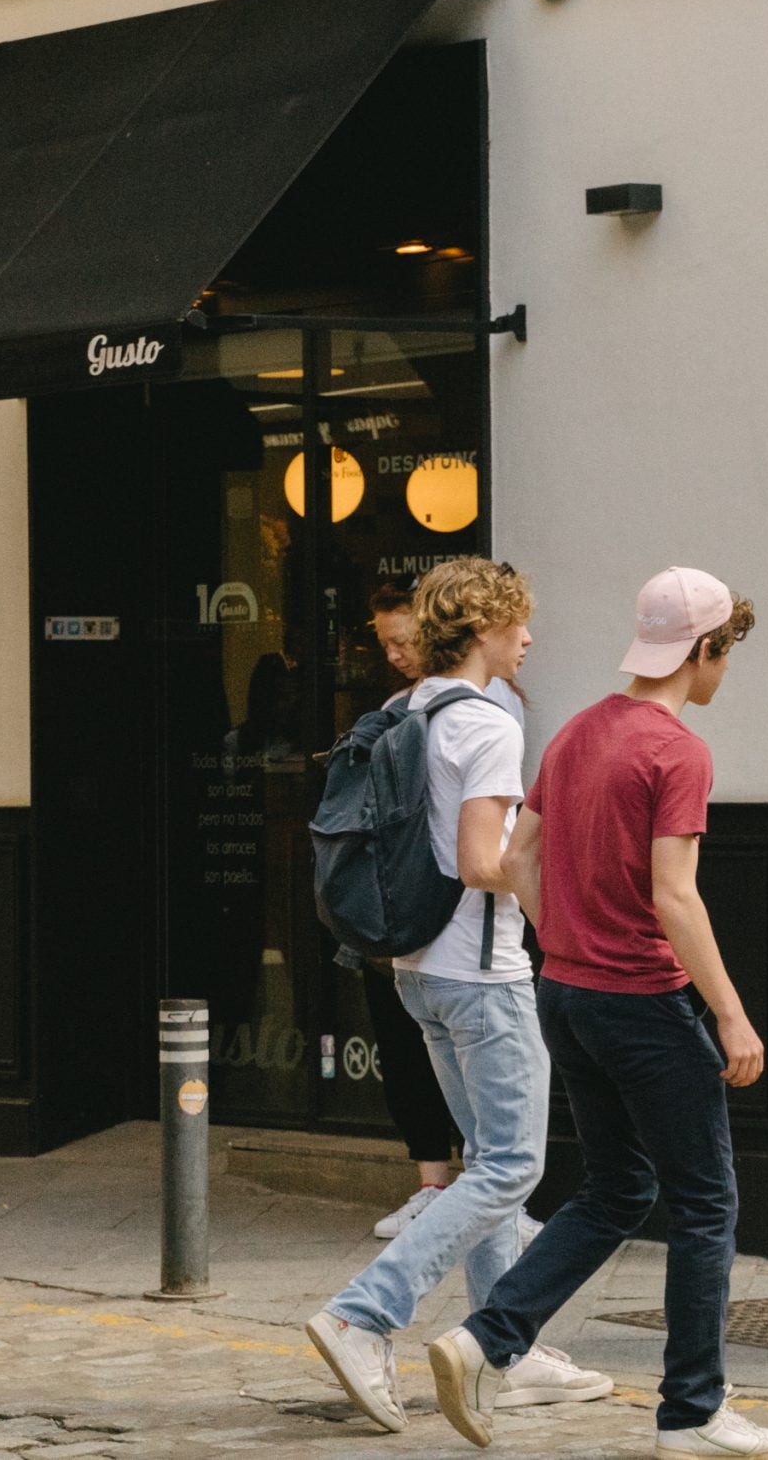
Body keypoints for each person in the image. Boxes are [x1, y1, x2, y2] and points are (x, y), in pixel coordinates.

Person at [426, 568, 768, 1460]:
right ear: (705, 650)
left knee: (617, 1187)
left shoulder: (577, 731)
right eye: (725, 654)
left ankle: (486, 1336)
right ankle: (692, 1413)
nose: (724, 670)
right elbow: (675, 895)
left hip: (567, 994)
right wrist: (731, 1015)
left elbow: (520, 857)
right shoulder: (678, 751)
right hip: (642, 1002)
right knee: (705, 1203)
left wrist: (563, 941)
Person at [307, 561, 611, 1429]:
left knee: (488, 1162)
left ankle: (503, 1349)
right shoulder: (486, 722)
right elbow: (482, 861)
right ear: (482, 630)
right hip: (482, 977)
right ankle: (363, 1313)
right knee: (514, 1164)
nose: (528, 639)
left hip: (418, 970)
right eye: (518, 624)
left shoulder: (407, 711)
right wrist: (558, 893)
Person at [360, 584, 483, 1236]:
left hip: (463, 914)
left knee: (474, 1063)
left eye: (402, 640)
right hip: (397, 908)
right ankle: (434, 1185)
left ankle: (488, 1193)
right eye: (384, 643)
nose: (394, 654)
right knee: (407, 1050)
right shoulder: (391, 712)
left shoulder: (483, 707)